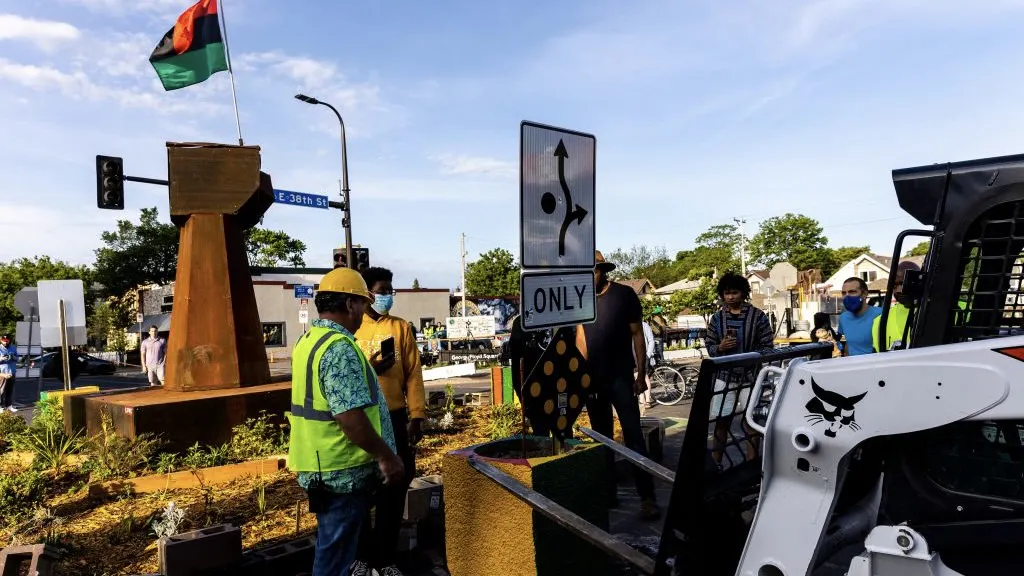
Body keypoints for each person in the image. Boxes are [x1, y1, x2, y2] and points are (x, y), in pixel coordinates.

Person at [287, 267, 404, 576]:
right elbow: (349, 417)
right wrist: (387, 456)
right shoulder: (340, 348)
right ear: (351, 304)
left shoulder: (309, 340)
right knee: (335, 558)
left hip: (318, 463)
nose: (365, 311)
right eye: (363, 304)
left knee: (334, 550)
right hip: (342, 470)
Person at [575, 250, 659, 520]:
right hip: (592, 382)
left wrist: (641, 374)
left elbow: (638, 335)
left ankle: (647, 498)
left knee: (634, 437)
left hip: (621, 378)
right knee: (602, 440)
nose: (591, 275)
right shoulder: (578, 299)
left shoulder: (623, 295)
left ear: (603, 270)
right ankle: (608, 494)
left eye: (595, 270)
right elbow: (577, 338)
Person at [352, 267, 426, 576]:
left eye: (390, 290)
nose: (388, 296)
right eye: (383, 290)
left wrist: (417, 415)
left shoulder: (400, 328)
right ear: (367, 292)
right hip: (362, 421)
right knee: (359, 493)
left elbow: (414, 374)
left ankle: (385, 559)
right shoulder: (352, 330)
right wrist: (373, 368)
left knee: (395, 488)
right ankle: (362, 558)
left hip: (395, 418)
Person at [704, 272, 774, 465]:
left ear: (743, 293)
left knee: (751, 421)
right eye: (727, 293)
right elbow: (709, 345)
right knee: (721, 422)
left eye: (734, 292)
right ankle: (716, 464)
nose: (730, 297)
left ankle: (751, 465)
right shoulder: (717, 319)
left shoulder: (758, 316)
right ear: (722, 295)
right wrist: (720, 347)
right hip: (723, 378)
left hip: (751, 377)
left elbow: (768, 346)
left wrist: (753, 358)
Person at [873, 261, 922, 352]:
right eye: (894, 285)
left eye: (903, 283)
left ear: (920, 282)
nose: (899, 290)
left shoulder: (944, 311)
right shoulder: (879, 322)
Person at [836, 277, 881, 356]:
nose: (847, 296)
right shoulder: (843, 318)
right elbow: (849, 345)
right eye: (844, 293)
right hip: (854, 366)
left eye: (852, 292)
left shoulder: (881, 314)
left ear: (864, 294)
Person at [638, 320, 656, 414]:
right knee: (638, 377)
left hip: (644, 355)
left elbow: (651, 340)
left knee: (644, 377)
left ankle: (647, 400)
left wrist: (648, 355)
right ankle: (642, 399)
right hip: (635, 356)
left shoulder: (644, 325)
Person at [0, 334, 18, 412]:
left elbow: (18, 358)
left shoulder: (13, 348)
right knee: (1, 391)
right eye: (4, 341)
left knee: (9, 390)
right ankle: (0, 407)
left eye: (7, 341)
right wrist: (1, 358)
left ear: (9, 340)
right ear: (1, 341)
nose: (5, 343)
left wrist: (13, 357)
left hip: (12, 372)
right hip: (2, 373)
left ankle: (9, 406)